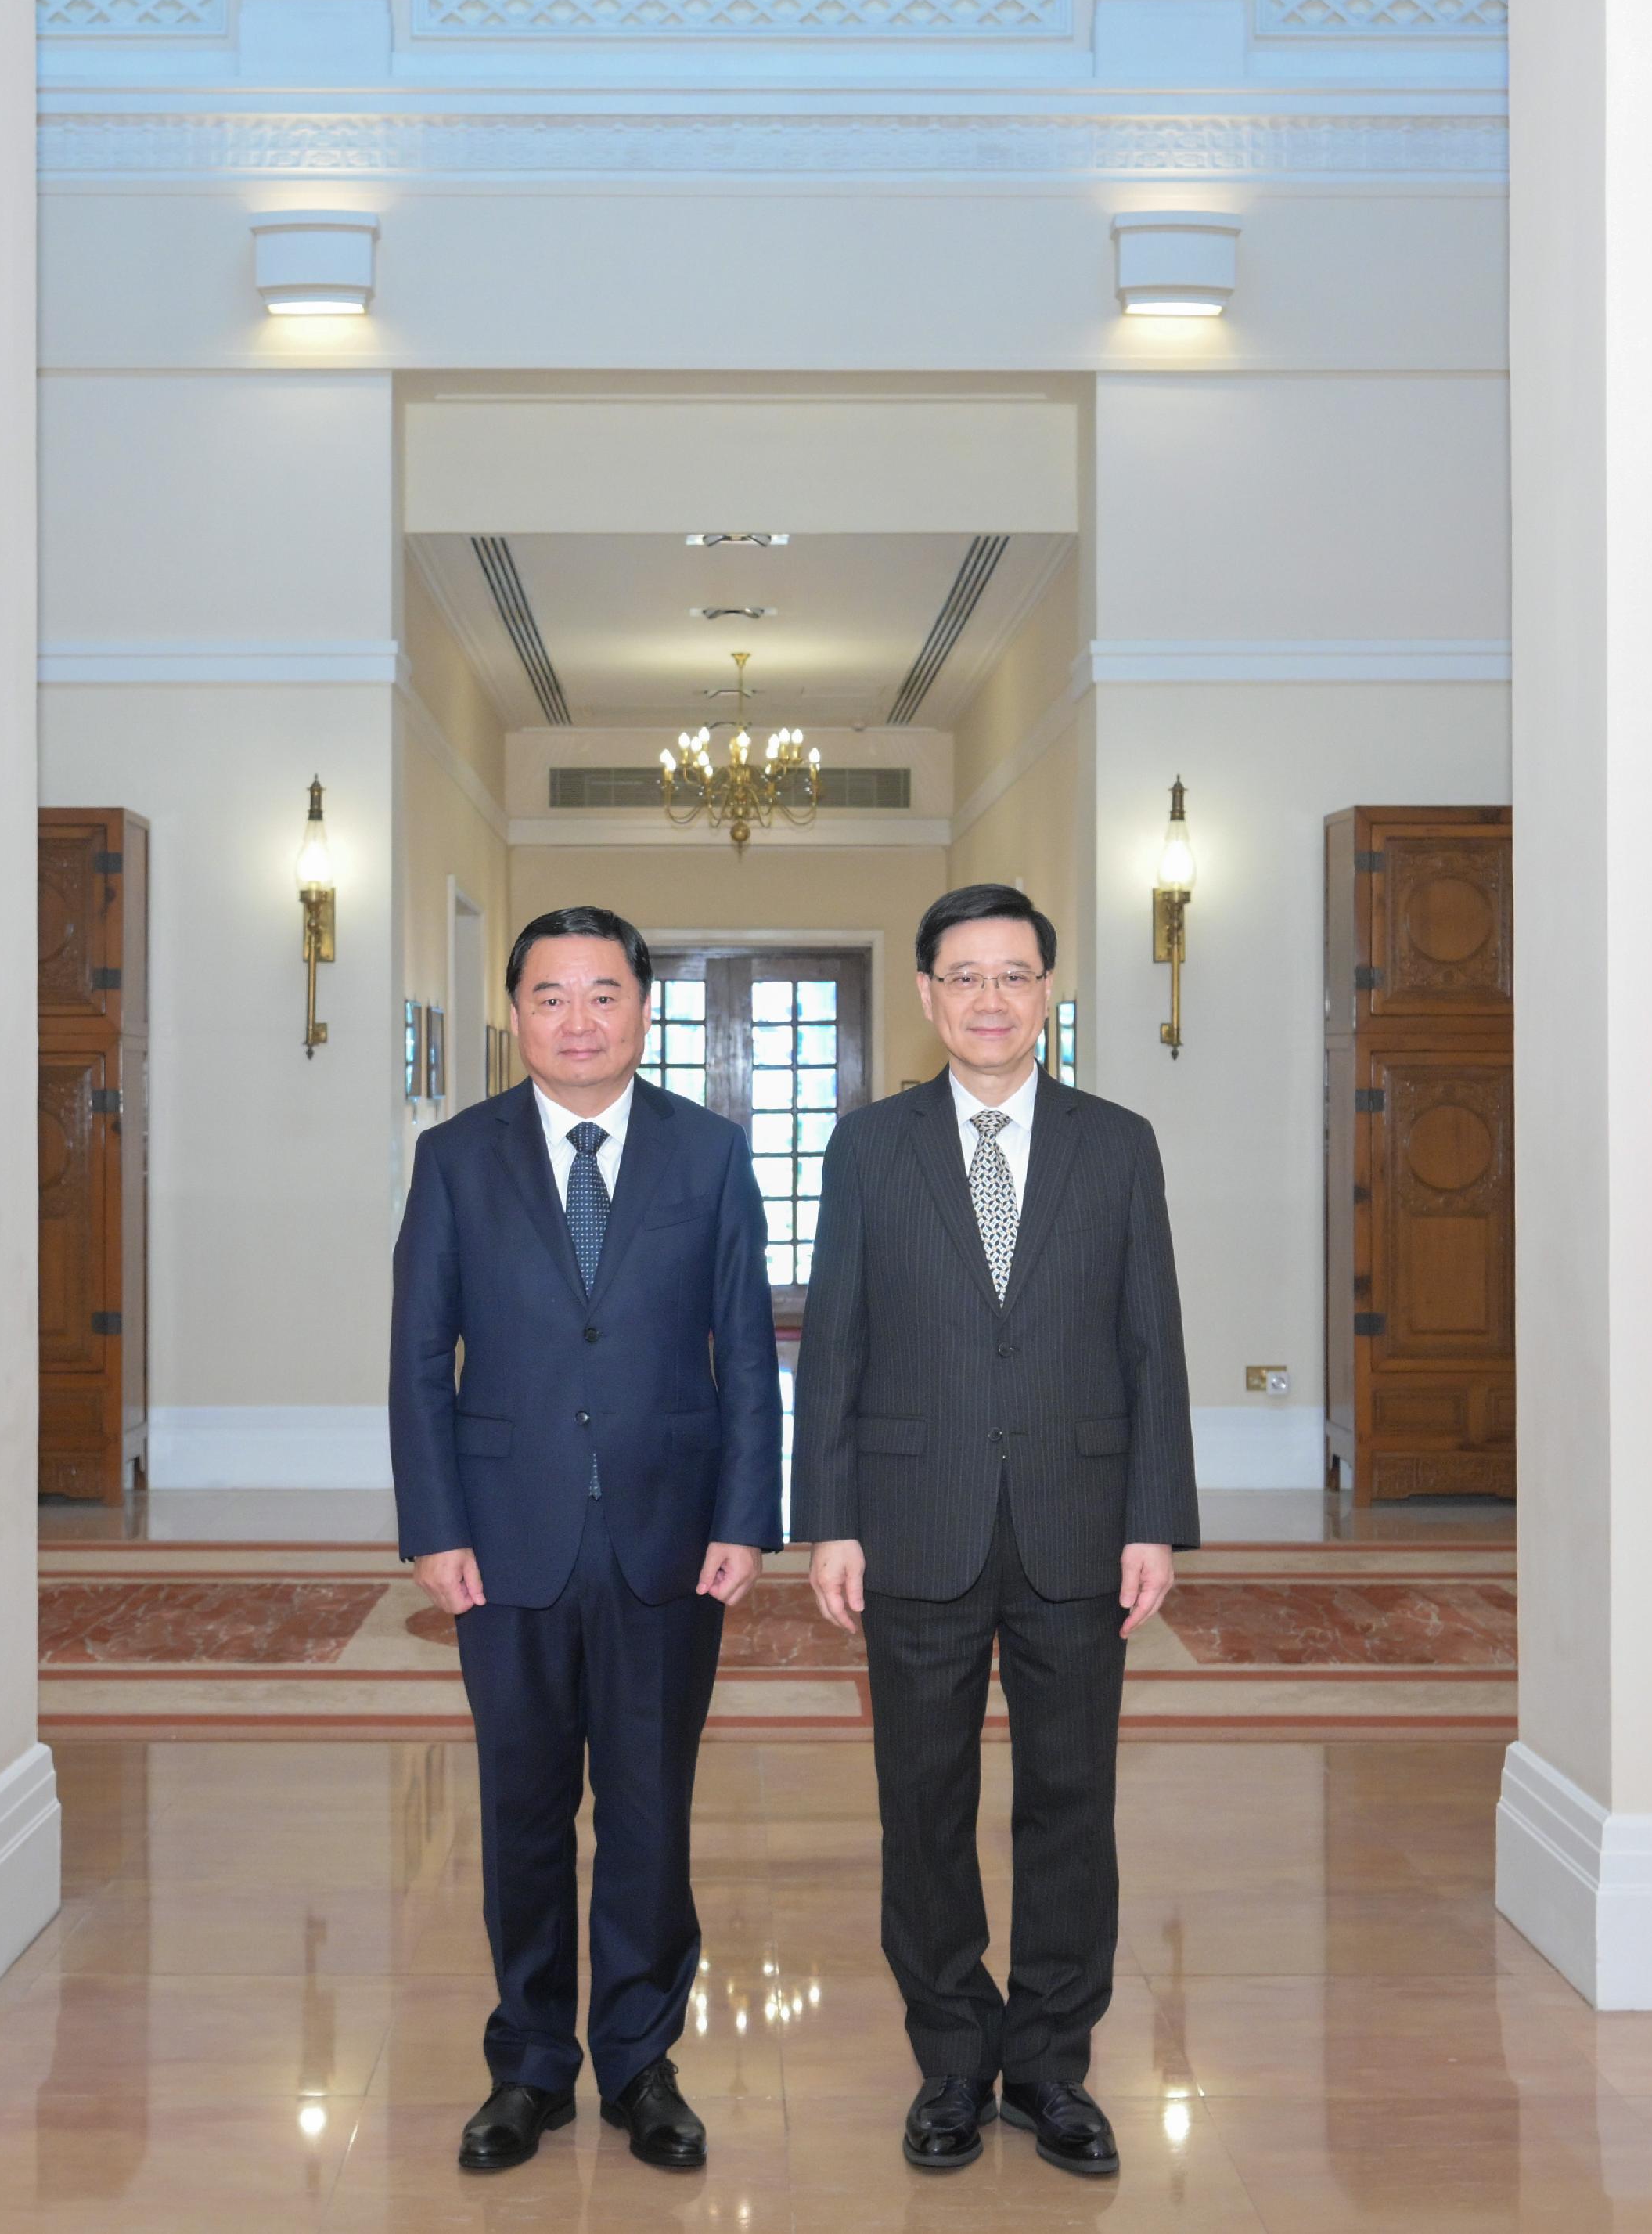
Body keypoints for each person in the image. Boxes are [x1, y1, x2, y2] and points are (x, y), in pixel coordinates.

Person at [792, 883, 1197, 2178]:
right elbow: (835, 1339)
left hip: (1081, 1525)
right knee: (923, 1801)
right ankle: (953, 2061)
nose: (987, 998)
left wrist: (1156, 1520)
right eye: (962, 975)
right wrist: (830, 1521)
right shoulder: (869, 1145)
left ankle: (1052, 2066)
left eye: (1013, 975)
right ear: (926, 995)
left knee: (1072, 1802)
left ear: (1046, 994)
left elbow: (1153, 1343)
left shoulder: (1117, 1142)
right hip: (914, 1523)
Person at [390, 904, 781, 2175]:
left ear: (642, 1009)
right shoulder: (455, 1157)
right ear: (516, 1016)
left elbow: (748, 1352)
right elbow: (415, 1362)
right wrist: (434, 1527)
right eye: (550, 996)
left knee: (652, 1811)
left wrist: (746, 1516)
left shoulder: (710, 1152)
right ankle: (530, 2066)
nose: (577, 1020)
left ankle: (641, 2061)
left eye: (602, 994)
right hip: (503, 1541)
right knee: (521, 1809)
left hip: (671, 1537)